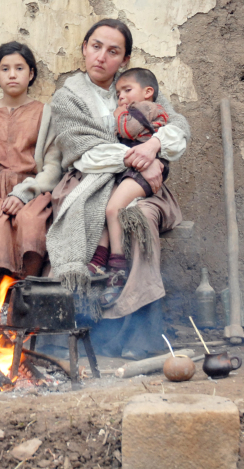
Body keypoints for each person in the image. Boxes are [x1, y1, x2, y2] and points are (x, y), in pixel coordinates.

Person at [45, 19, 190, 359]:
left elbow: (178, 127)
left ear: (124, 59)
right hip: (88, 182)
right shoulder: (68, 98)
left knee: (137, 218)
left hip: (141, 187)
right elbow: (84, 152)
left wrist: (152, 146)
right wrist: (137, 157)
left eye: (113, 52)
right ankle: (85, 331)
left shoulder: (136, 86)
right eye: (96, 47)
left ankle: (138, 333)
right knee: (85, 218)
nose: (101, 57)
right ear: (84, 48)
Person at [0, 42, 62, 278]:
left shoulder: (45, 113)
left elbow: (53, 166)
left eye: (19, 68)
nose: (12, 75)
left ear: (31, 74)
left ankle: (29, 285)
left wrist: (24, 193)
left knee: (30, 223)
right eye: (5, 69)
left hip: (34, 191)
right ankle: (2, 290)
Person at [92, 67, 170, 309]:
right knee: (105, 205)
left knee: (113, 208)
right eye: (118, 94)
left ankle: (117, 267)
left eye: (127, 90)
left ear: (148, 92)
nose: (121, 97)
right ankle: (99, 257)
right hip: (132, 170)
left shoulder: (147, 109)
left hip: (142, 172)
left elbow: (127, 130)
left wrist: (117, 115)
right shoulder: (135, 109)